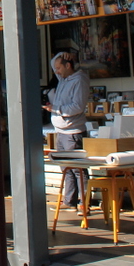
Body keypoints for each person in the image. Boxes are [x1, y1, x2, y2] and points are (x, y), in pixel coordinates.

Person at [44, 51, 90, 212]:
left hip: (73, 131)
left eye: (59, 67)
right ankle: (69, 200)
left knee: (77, 168)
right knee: (65, 167)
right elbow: (52, 63)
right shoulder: (62, 79)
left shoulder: (79, 80)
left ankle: (84, 203)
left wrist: (55, 108)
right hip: (61, 131)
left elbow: (77, 106)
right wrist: (59, 54)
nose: (56, 71)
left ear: (68, 66)